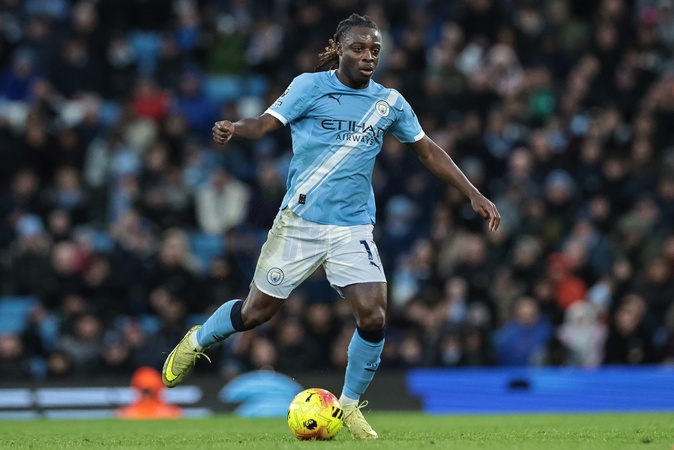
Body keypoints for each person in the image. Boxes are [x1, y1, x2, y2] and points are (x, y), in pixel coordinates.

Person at [161, 13, 501, 439]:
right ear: (339, 50)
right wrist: (236, 129)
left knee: (374, 315)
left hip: (352, 228)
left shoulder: (389, 103)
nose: (368, 56)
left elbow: (428, 151)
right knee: (255, 313)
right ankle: (196, 340)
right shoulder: (309, 87)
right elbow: (264, 124)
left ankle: (349, 404)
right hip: (299, 223)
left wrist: (472, 192)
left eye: (375, 50)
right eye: (359, 48)